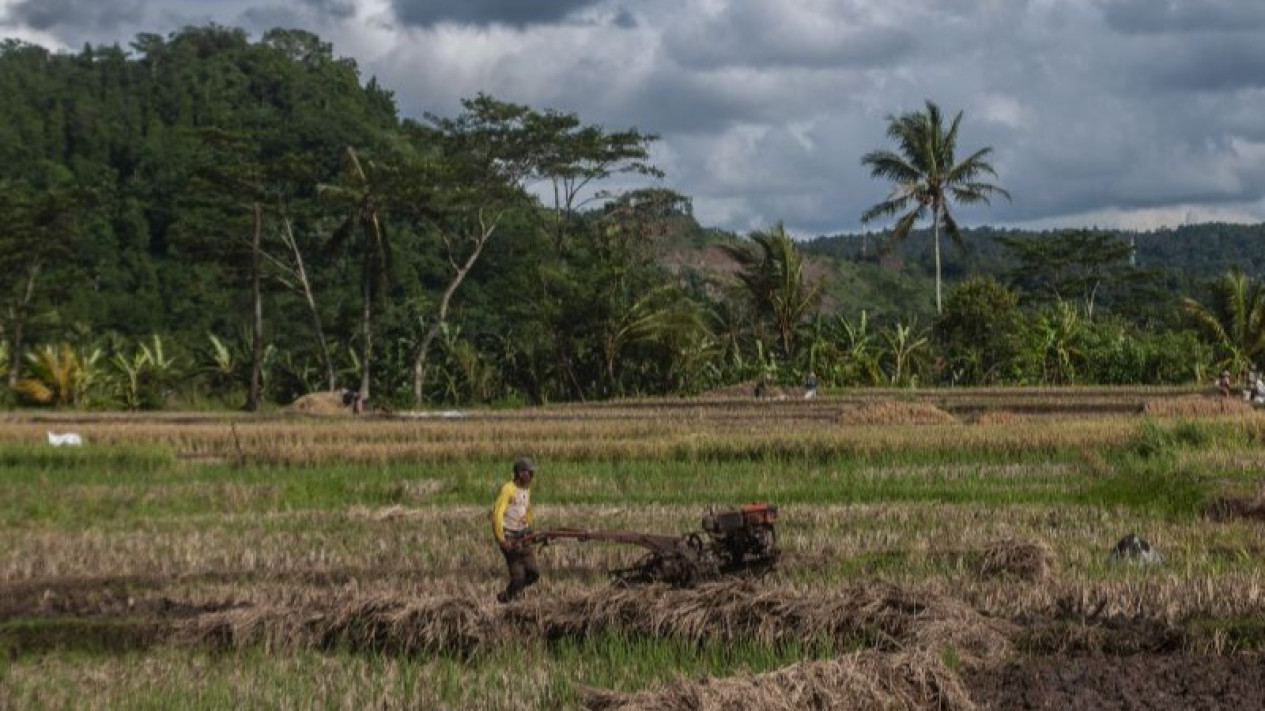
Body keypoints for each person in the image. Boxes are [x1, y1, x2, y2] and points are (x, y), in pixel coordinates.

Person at [491, 457, 539, 603]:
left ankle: (512, 593)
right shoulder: (508, 489)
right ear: (520, 474)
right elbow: (497, 514)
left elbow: (527, 509)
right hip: (510, 538)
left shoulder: (525, 490)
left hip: (523, 535)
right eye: (529, 473)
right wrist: (501, 539)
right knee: (519, 577)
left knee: (533, 574)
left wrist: (530, 526)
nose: (532, 476)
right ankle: (506, 599)